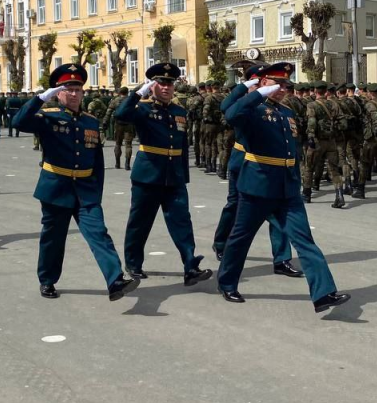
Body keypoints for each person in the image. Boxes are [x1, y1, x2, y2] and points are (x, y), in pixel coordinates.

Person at [215, 63, 350, 314]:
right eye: (276, 84)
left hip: (287, 189)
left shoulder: (287, 113)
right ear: (262, 83)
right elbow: (229, 113)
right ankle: (226, 283)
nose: (282, 89)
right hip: (257, 186)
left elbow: (291, 151)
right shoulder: (251, 109)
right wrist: (253, 91)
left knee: (305, 241)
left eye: (285, 85)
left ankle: (323, 293)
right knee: (240, 239)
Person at [13, 63, 138, 301]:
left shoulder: (91, 121)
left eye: (77, 89)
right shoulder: (47, 117)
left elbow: (97, 161)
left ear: (83, 92)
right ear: (58, 93)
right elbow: (19, 122)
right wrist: (39, 99)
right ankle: (47, 280)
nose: (73, 93)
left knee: (99, 233)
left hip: (86, 190)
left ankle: (115, 280)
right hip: (56, 188)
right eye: (67, 89)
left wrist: (96, 193)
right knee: (53, 239)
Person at [114, 62, 212, 286]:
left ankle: (190, 266)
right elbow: (121, 115)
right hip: (148, 175)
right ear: (152, 85)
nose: (166, 87)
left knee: (182, 222)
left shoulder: (179, 111)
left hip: (174, 177)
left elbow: (182, 146)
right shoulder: (143, 108)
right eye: (161, 82)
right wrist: (138, 93)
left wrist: (183, 175)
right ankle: (133, 263)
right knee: (140, 222)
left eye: (170, 83)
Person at [212, 64, 300, 277]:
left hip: (270, 167)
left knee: (278, 214)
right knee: (235, 207)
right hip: (243, 161)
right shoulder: (246, 103)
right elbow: (226, 108)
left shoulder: (276, 108)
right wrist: (245, 88)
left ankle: (281, 258)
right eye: (259, 79)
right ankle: (222, 243)